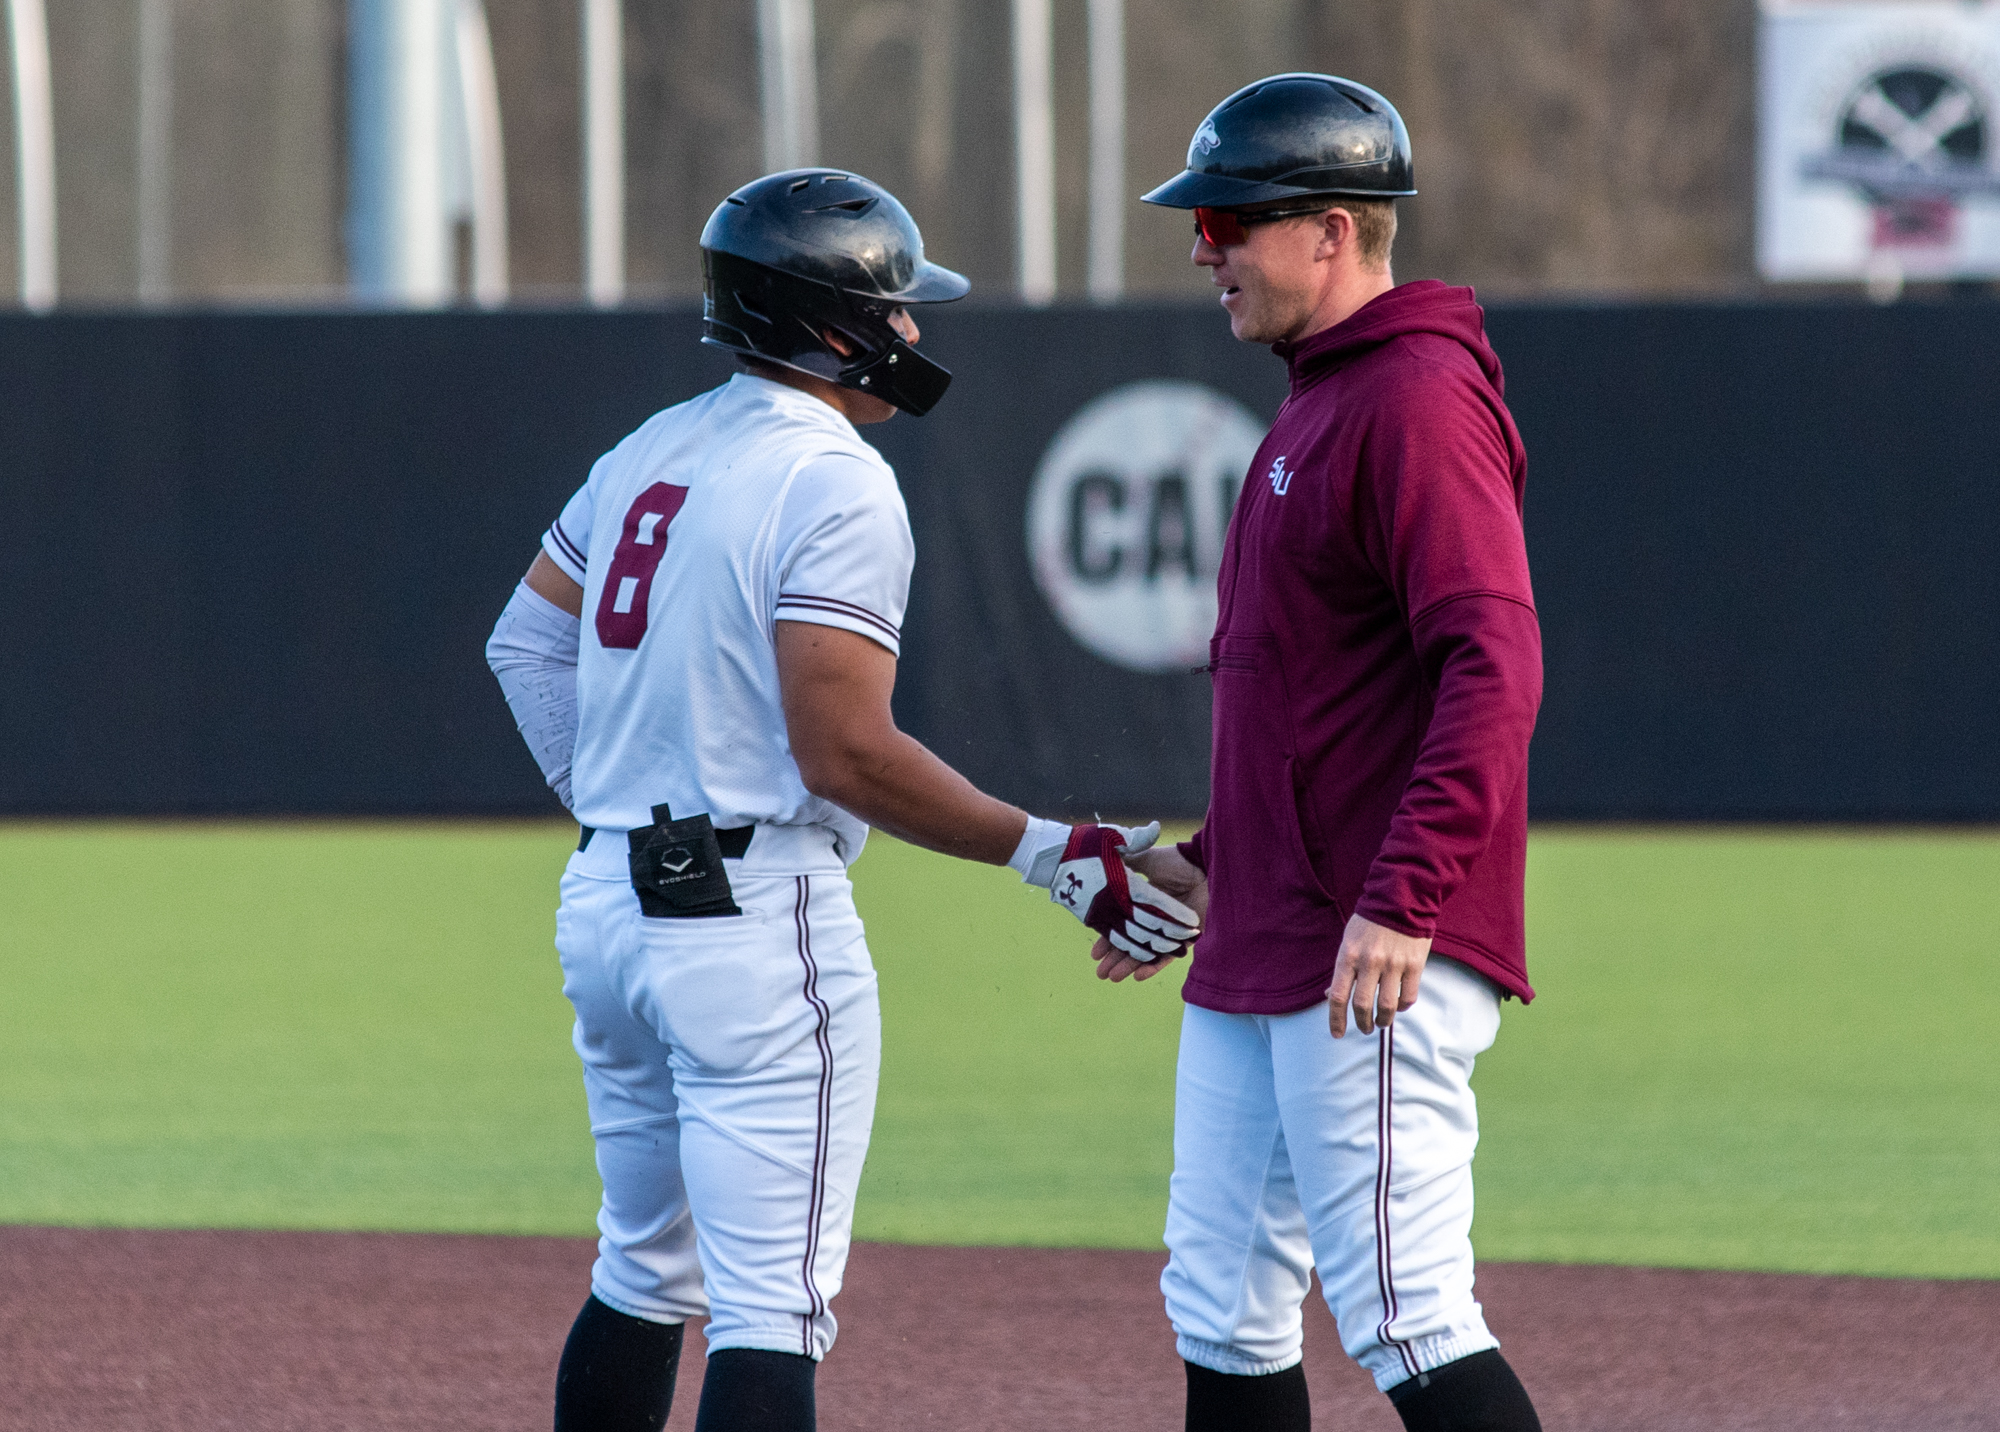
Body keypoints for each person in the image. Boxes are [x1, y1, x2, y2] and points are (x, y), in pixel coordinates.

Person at [483, 169, 1196, 1432]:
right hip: (750, 919)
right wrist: (1052, 852)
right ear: (832, 326)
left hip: (609, 903)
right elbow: (844, 753)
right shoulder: (835, 478)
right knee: (770, 1311)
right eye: (897, 308)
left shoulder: (652, 443)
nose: (914, 332)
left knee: (642, 1272)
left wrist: (619, 806)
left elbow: (523, 645)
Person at [1111, 75, 1547, 1432]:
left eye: (1233, 219)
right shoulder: (1321, 401)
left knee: (1408, 1312)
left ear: (1337, 230)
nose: (1205, 247)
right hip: (1279, 935)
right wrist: (1208, 870)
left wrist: (1404, 896)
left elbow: (1496, 664)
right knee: (1224, 1308)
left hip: (1371, 946)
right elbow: (1311, 712)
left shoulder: (1413, 399)